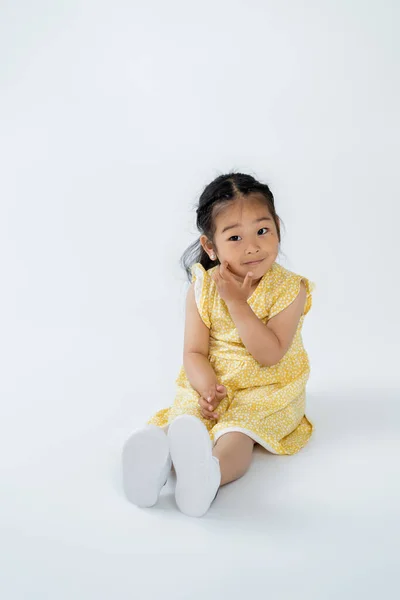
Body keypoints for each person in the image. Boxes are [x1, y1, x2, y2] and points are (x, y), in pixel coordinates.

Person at [122, 172, 316, 518]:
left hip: (268, 389)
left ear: (278, 227)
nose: (253, 246)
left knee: (237, 433)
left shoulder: (289, 290)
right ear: (210, 246)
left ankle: (209, 474)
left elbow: (269, 355)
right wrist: (208, 389)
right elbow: (194, 352)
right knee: (187, 419)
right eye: (235, 237)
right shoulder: (202, 287)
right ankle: (154, 456)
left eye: (262, 230)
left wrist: (237, 303)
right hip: (215, 383)